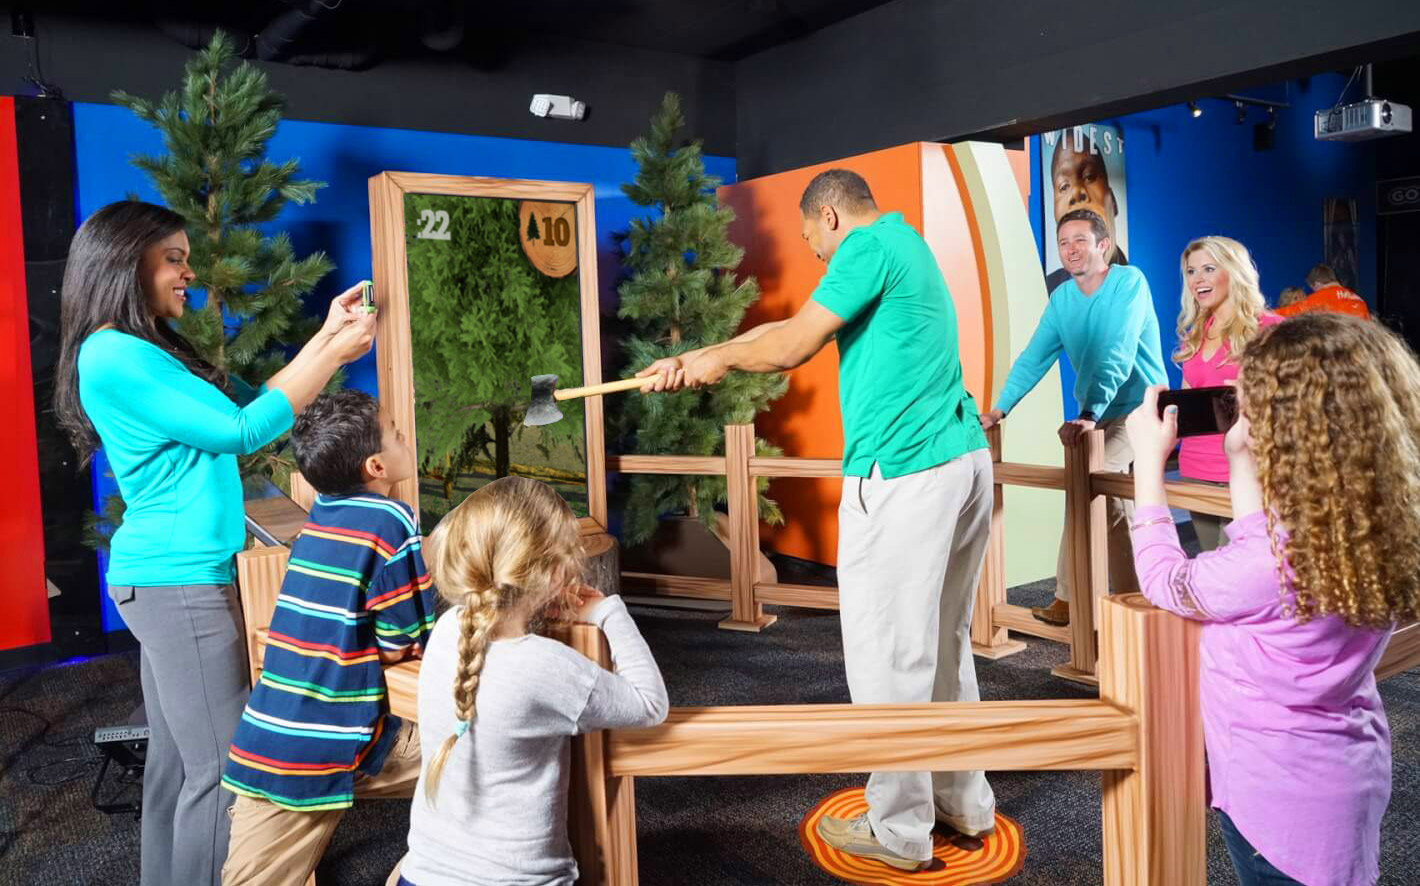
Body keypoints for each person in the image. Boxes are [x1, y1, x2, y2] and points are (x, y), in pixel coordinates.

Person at [639, 169, 997, 872]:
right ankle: (963, 802)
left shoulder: (864, 247)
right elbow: (790, 327)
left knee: (890, 655)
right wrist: (701, 358)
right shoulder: (903, 243)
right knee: (942, 644)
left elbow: (792, 345)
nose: (819, 257)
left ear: (829, 216)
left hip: (905, 473)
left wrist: (718, 361)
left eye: (813, 243)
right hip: (959, 461)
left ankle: (900, 831)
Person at [53, 200, 376, 886]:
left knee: (177, 766)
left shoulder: (142, 348)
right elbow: (240, 432)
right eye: (174, 259)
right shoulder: (114, 353)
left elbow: (252, 404)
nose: (188, 273)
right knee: (222, 768)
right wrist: (334, 351)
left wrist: (328, 336)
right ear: (126, 262)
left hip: (172, 579)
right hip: (179, 585)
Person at [1125, 311, 1418, 885]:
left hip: (1276, 807)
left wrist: (1148, 468)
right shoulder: (1365, 528)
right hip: (1344, 772)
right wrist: (1241, 453)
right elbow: (1259, 534)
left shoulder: (1270, 566)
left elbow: (1163, 577)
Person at [394, 477, 668, 886]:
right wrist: (609, 612)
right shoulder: (546, 666)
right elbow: (650, 704)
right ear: (556, 573)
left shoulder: (450, 629)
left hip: (421, 876)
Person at [221, 390, 437, 886]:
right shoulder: (392, 519)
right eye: (395, 433)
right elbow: (405, 636)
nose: (404, 436)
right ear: (376, 466)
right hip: (328, 746)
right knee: (478, 751)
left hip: (267, 738)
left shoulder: (322, 513)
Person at [979, 208, 1166, 627]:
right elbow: (1034, 357)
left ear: (1104, 245)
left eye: (1080, 240)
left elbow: (1114, 350)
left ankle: (1068, 597)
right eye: (1064, 242)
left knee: (1085, 486)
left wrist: (1088, 413)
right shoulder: (1062, 299)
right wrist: (999, 408)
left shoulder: (1129, 283)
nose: (1071, 249)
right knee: (1113, 504)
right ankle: (1138, 600)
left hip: (1139, 410)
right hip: (1096, 413)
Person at [1173, 236, 1282, 551]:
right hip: (1195, 466)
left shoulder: (1270, 329)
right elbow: (1188, 405)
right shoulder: (1195, 335)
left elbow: (1291, 403)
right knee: (1211, 562)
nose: (1198, 279)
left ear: (1234, 272)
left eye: (1209, 269)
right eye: (1191, 271)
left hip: (1248, 466)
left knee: (1241, 564)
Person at [1043, 134, 1129, 295]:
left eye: (1089, 176)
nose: (1077, 192)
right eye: (1064, 186)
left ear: (1112, 200)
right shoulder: (1050, 289)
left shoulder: (1130, 282)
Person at [1275, 263, 1371, 319]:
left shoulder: (1324, 296)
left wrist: (1267, 312)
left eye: (1313, 289)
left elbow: (1291, 311)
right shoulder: (1357, 298)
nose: (1315, 293)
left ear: (1317, 284)